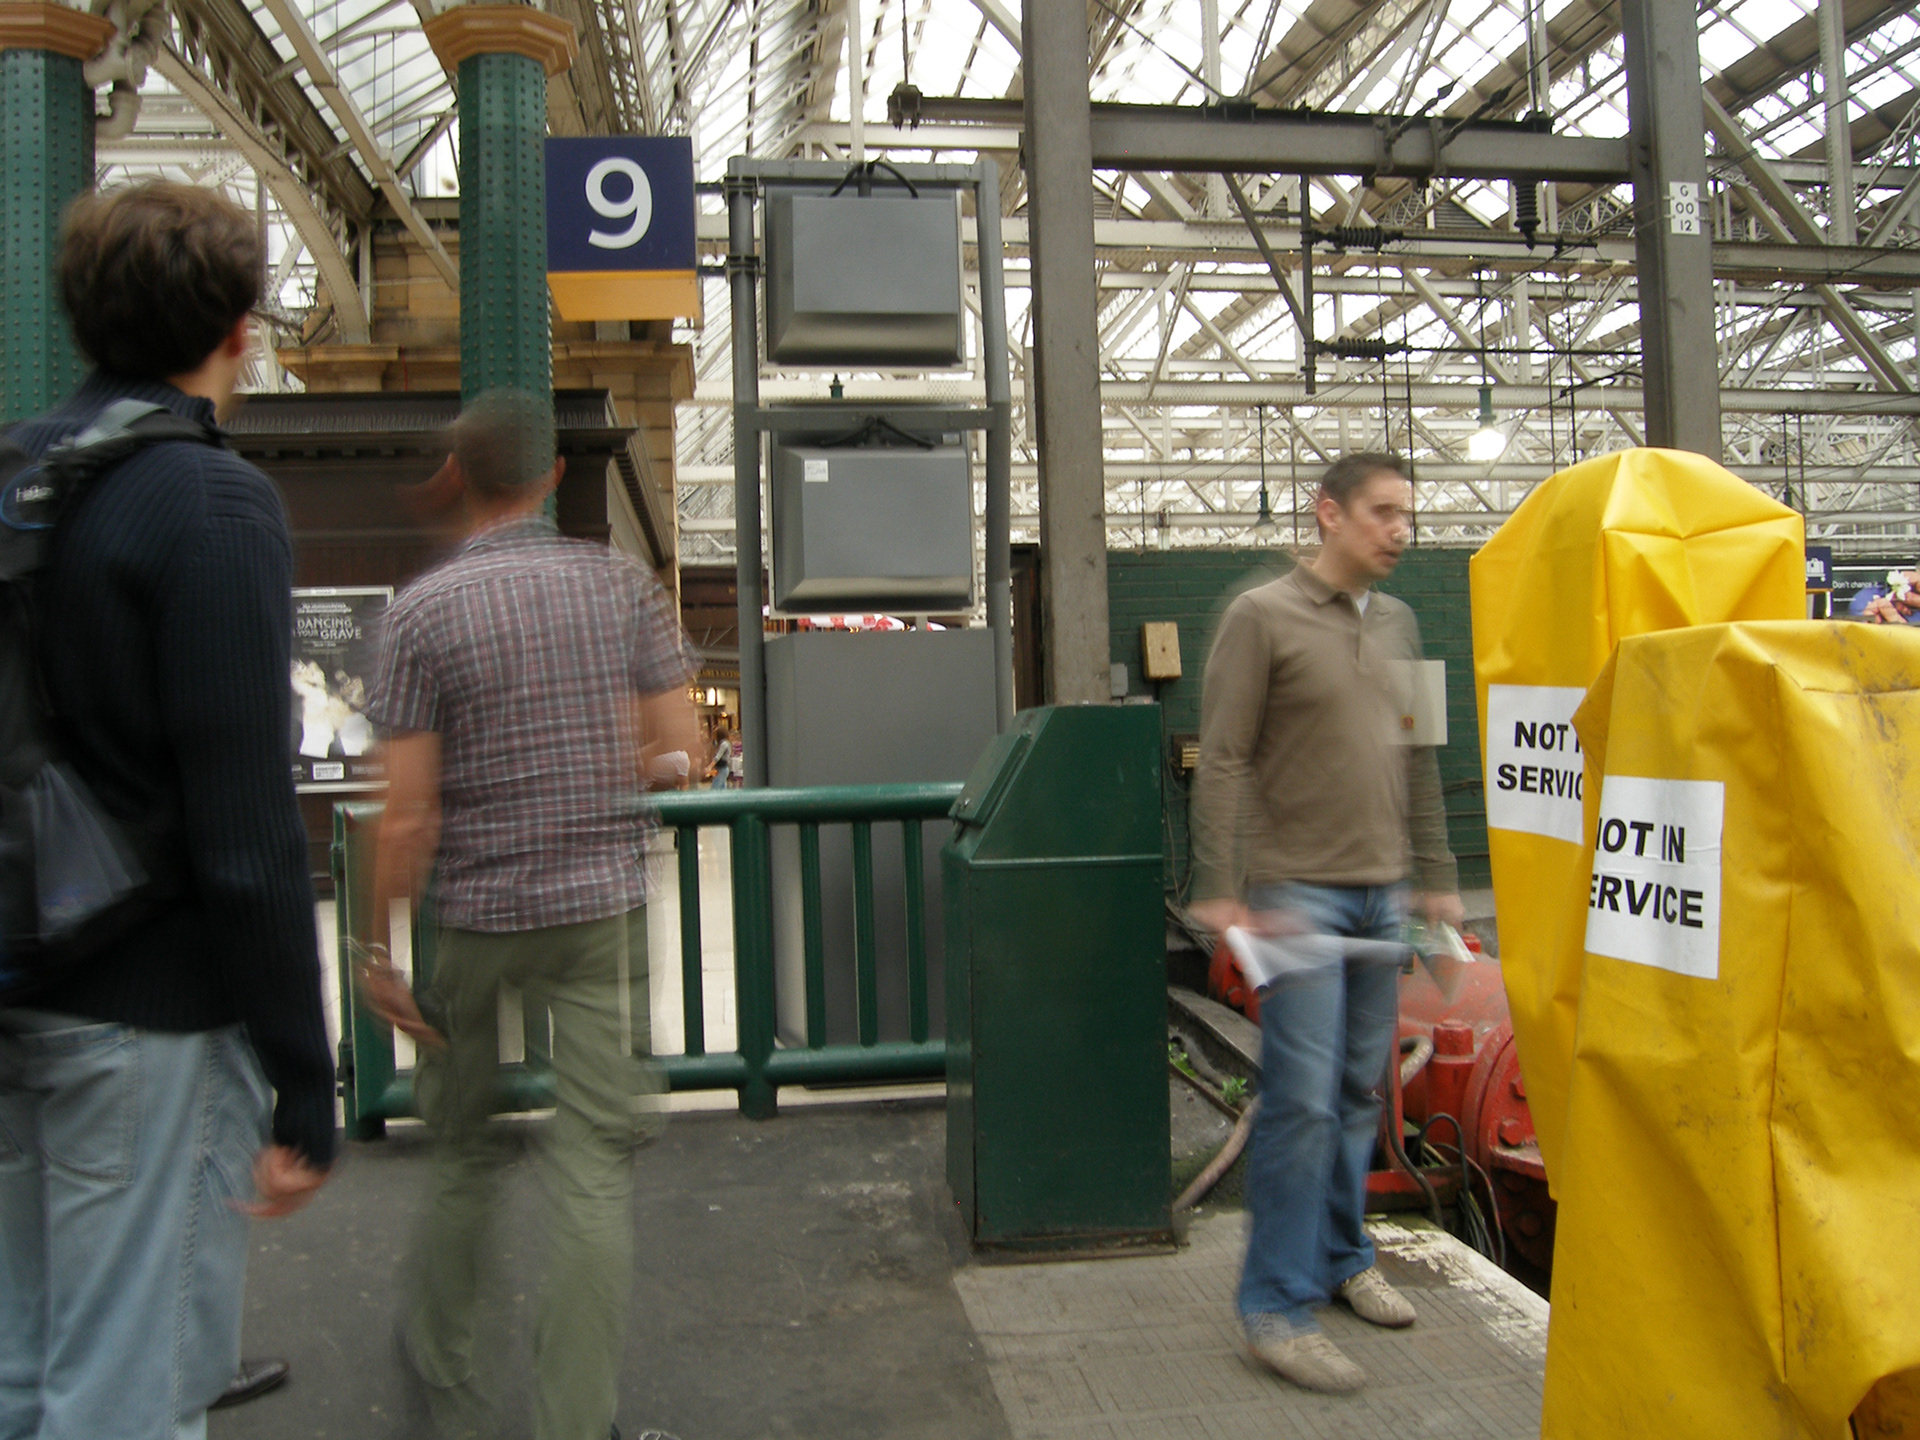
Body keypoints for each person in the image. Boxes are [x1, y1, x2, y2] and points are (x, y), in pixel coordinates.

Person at [0, 181, 334, 1439]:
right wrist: (305, 1078)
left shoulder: (18, 475)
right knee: (126, 1396)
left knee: (25, 1368)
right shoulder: (209, 503)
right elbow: (245, 835)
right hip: (147, 1017)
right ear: (240, 329)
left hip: (18, 980)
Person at [359, 389, 701, 1440]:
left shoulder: (418, 614)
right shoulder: (619, 587)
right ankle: (575, 1420)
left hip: (473, 917)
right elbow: (679, 751)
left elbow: (406, 815)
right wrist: (610, 760)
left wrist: (376, 950)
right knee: (592, 1168)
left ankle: (445, 1375)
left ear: (455, 480)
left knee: (463, 1155)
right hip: (598, 912)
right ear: (552, 477)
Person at [1188, 452, 1461, 1396]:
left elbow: (1421, 756)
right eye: (1383, 512)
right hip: (1296, 895)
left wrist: (1438, 878)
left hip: (1384, 892)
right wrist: (1219, 884)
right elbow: (1224, 755)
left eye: (1408, 514)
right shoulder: (1259, 617)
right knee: (1302, 1103)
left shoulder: (1402, 622)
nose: (1401, 531)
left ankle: (1345, 1258)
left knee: (1355, 1093)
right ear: (1328, 514)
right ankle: (1274, 1307)